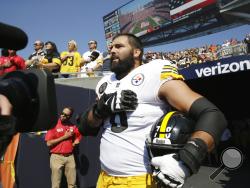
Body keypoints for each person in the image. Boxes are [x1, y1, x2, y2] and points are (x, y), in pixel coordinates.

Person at [77, 33, 227, 188]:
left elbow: (212, 114)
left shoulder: (154, 72)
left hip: (141, 179)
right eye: (111, 47)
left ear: (136, 52)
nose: (112, 50)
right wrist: (99, 110)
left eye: (119, 46)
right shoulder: (105, 82)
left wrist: (189, 158)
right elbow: (85, 127)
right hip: (105, 177)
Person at [45, 107, 82, 188]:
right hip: (56, 157)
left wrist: (77, 140)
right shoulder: (54, 125)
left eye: (65, 115)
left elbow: (79, 135)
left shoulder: (72, 126)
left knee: (72, 185)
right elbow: (48, 143)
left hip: (70, 157)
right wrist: (65, 137)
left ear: (69, 116)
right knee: (55, 185)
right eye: (62, 113)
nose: (62, 115)